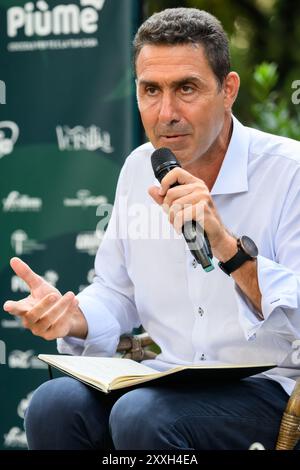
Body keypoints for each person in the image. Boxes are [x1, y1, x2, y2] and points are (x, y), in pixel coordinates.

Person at [3, 8, 300, 450]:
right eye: (150, 90)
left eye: (186, 88)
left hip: (269, 385)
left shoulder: (288, 172)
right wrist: (74, 317)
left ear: (228, 90)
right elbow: (117, 292)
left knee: (141, 414)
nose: (166, 113)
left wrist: (226, 246)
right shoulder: (138, 169)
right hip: (169, 379)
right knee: (53, 404)